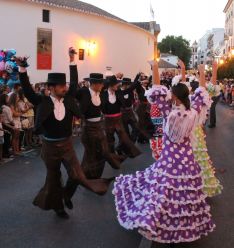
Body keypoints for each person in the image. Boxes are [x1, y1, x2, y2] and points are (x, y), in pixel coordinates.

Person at [112, 60, 215, 245]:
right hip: (186, 159)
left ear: (175, 97)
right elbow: (202, 92)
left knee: (163, 190)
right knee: (185, 192)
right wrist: (201, 73)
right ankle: (184, 225)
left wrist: (155, 68)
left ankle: (160, 221)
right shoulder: (194, 111)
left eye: (172, 95)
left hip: (169, 159)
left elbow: (157, 88)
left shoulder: (170, 111)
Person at [15, 50, 113, 219]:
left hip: (67, 145)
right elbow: (27, 91)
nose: (65, 88)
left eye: (65, 85)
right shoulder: (42, 101)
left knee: (76, 175)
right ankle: (58, 207)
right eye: (61, 86)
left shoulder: (68, 98)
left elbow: (74, 82)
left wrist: (72, 61)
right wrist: (22, 68)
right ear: (51, 88)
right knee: (54, 179)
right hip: (50, 147)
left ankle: (66, 195)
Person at [101, 75, 141, 157]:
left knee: (124, 137)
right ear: (110, 85)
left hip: (118, 119)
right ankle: (112, 155)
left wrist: (137, 78)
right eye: (116, 84)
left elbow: (130, 89)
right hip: (108, 120)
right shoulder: (103, 94)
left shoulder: (118, 92)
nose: (117, 85)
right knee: (110, 139)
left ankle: (123, 150)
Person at [207, 61, 220, 128]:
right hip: (214, 95)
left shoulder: (213, 79)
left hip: (215, 96)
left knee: (212, 109)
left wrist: (214, 67)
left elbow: (214, 74)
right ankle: (213, 123)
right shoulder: (211, 80)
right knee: (212, 109)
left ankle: (212, 124)